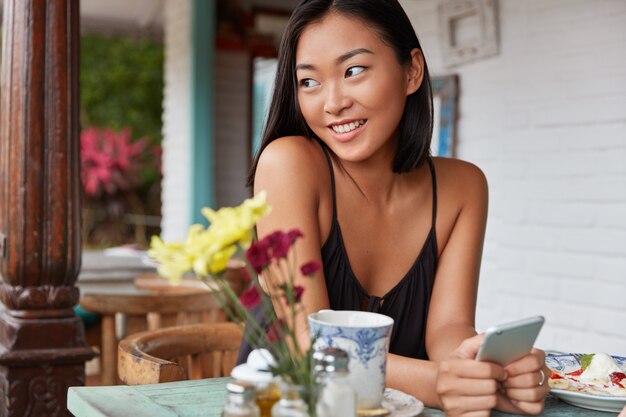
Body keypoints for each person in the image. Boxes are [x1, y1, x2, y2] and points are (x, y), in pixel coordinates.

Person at [245, 0, 550, 415]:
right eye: (309, 82)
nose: (332, 103)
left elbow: (447, 330)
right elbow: (308, 342)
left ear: (412, 71)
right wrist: (441, 383)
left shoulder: (463, 187)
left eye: (353, 71)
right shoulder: (289, 164)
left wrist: (486, 370)